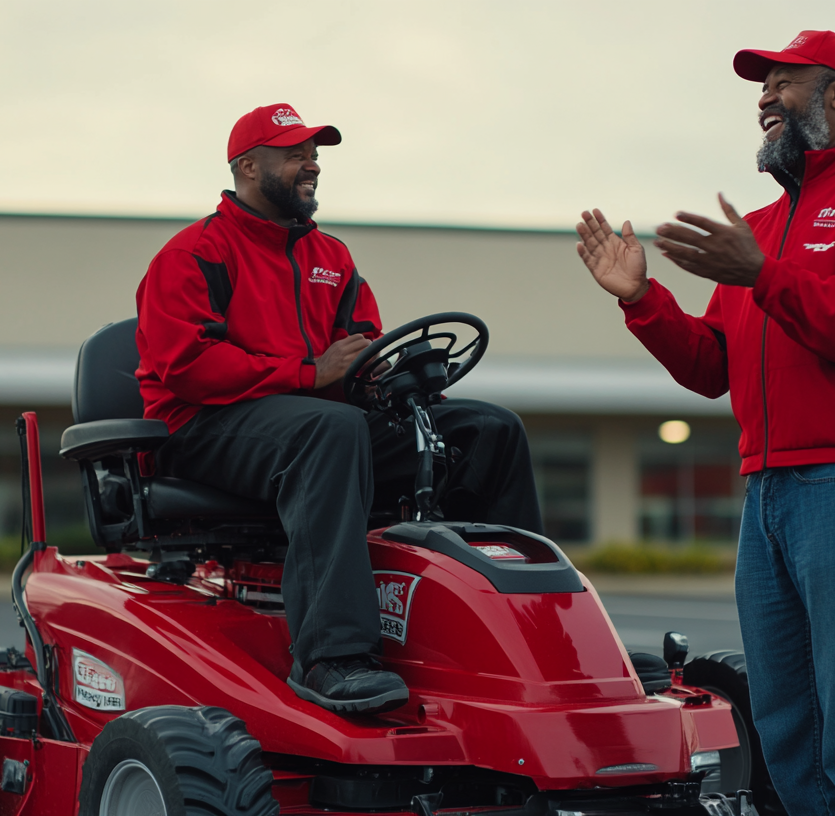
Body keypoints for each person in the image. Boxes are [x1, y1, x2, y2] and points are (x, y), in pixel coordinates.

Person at [576, 31, 835, 816]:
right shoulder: (759, 225)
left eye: (782, 82)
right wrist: (641, 301)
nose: (763, 97)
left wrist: (765, 274)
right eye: (761, 85)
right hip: (768, 488)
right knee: (786, 716)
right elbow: (711, 367)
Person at [135, 103, 545, 715]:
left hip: (314, 422)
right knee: (330, 429)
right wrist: (308, 373)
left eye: (315, 154)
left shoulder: (332, 258)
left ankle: (532, 634)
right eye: (295, 153)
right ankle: (332, 656)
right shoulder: (195, 253)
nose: (313, 165)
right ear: (248, 166)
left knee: (487, 429)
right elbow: (185, 366)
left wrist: (390, 379)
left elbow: (362, 347)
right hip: (199, 427)